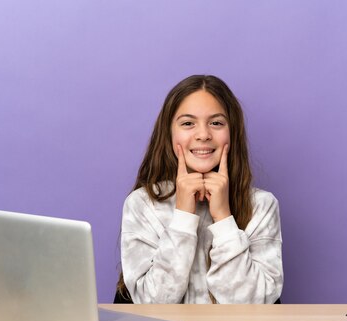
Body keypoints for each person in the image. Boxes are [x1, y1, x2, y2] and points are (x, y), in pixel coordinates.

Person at [117, 75, 283, 304]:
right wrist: (183, 217)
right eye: (187, 123)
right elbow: (151, 304)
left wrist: (224, 218)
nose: (203, 134)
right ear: (170, 133)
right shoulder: (142, 204)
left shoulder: (262, 206)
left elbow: (253, 307)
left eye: (216, 123)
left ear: (232, 132)